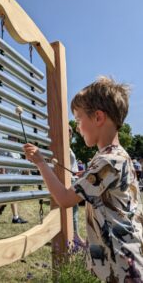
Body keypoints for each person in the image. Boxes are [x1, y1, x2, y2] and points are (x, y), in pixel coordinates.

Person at [23, 76, 143, 282]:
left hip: (122, 264)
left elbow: (65, 199)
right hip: (124, 256)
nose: (77, 127)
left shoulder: (108, 161)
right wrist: (87, 178)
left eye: (78, 120)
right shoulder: (118, 156)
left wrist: (41, 163)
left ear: (98, 118)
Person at [0, 136, 28, 224]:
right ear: (9, 138)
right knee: (5, 197)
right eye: (13, 138)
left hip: (17, 177)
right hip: (8, 177)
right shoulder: (6, 147)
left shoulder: (17, 149)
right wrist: (3, 176)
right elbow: (2, 161)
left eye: (16, 138)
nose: (15, 139)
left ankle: (15, 218)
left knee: (14, 197)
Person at [69, 125, 85, 245]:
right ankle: (75, 235)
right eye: (68, 131)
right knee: (73, 210)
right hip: (69, 180)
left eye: (71, 132)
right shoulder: (62, 147)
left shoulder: (69, 148)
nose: (70, 134)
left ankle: (73, 234)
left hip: (73, 179)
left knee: (74, 210)